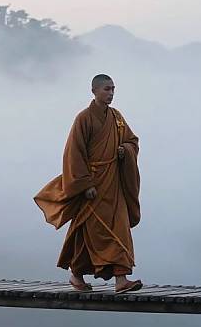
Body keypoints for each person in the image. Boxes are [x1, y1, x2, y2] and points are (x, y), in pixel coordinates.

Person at [34, 74, 142, 293]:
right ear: (94, 91)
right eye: (106, 89)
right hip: (93, 184)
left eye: (113, 89)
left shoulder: (117, 118)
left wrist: (125, 151)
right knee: (87, 230)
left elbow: (132, 141)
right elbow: (74, 153)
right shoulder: (83, 118)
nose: (110, 93)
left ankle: (121, 280)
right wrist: (84, 184)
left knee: (119, 227)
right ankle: (76, 275)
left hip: (113, 183)